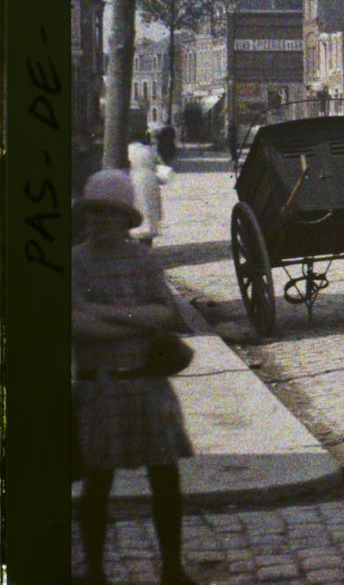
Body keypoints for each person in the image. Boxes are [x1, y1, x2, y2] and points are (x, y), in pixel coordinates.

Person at [72, 169, 198, 585]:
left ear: (128, 219)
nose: (103, 222)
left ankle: (172, 569)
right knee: (98, 482)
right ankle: (93, 572)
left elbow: (166, 313)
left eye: (112, 214)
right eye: (96, 214)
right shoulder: (75, 264)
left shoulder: (143, 261)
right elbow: (77, 325)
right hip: (99, 386)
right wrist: (136, 320)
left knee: (165, 480)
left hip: (147, 385)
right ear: (86, 217)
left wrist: (108, 313)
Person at [127, 128, 173, 246]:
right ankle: (147, 243)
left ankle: (131, 237)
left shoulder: (127, 150)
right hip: (149, 182)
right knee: (149, 213)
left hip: (131, 181)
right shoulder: (150, 150)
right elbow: (161, 166)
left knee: (134, 209)